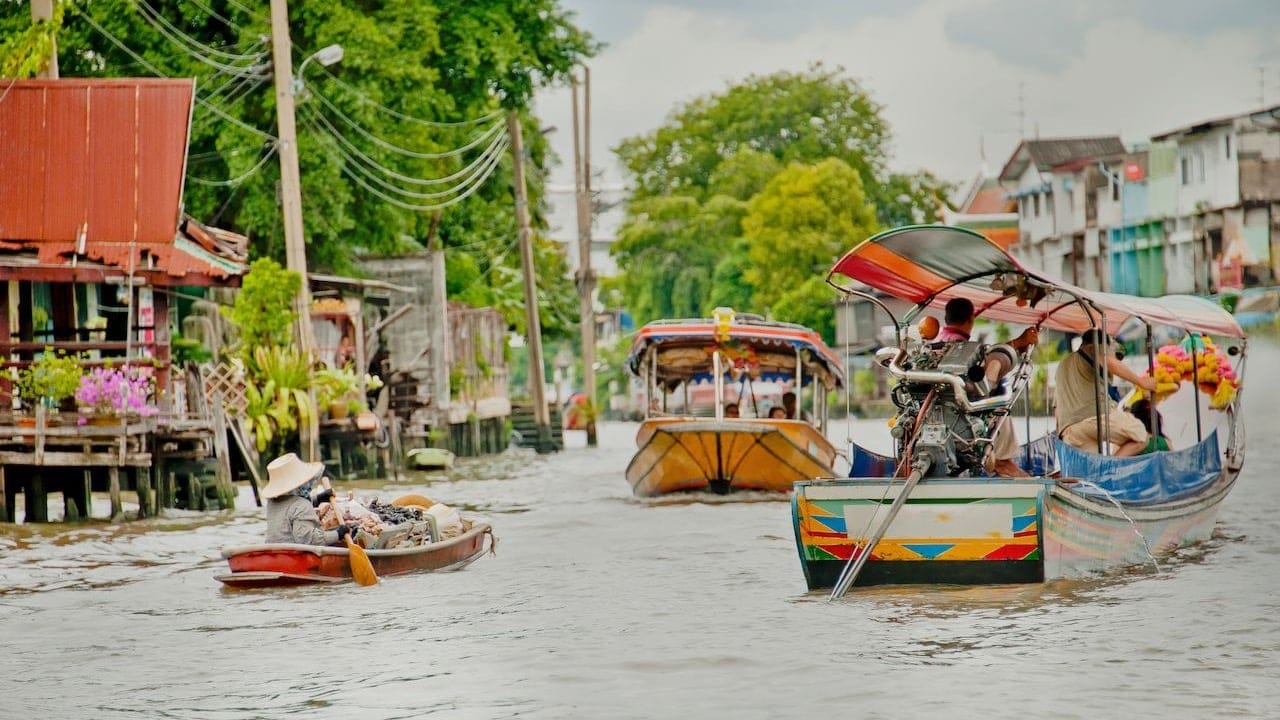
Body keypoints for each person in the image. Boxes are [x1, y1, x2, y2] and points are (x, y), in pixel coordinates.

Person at [936, 298, 1039, 477]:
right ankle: (1004, 465)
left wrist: (1018, 344)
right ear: (970, 319)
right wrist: (1020, 342)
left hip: (941, 416)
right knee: (1000, 411)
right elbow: (990, 363)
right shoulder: (964, 349)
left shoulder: (935, 345)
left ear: (947, 318)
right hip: (965, 416)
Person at [1055, 328, 1159, 457]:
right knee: (1140, 436)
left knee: (1091, 469)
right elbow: (1109, 362)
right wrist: (1141, 382)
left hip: (1070, 431)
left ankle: (1108, 469)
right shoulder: (1092, 348)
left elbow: (1057, 408)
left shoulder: (1062, 365)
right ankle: (1112, 469)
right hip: (1095, 418)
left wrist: (1060, 436)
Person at [262, 453, 353, 546]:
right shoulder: (302, 505)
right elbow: (308, 540)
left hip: (272, 550)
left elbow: (291, 509)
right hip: (294, 554)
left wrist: (318, 499)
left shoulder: (271, 503)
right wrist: (338, 534)